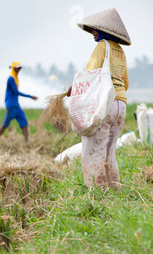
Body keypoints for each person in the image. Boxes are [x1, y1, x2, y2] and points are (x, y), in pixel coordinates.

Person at [67, 8, 130, 191]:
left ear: (104, 31)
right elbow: (125, 83)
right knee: (110, 152)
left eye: (95, 29)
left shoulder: (103, 46)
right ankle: (115, 190)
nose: (93, 33)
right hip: (121, 104)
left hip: (105, 105)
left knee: (94, 151)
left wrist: (74, 89)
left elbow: (90, 74)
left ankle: (98, 194)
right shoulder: (120, 52)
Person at [0, 62, 38, 145]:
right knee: (5, 124)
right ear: (13, 68)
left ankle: (26, 141)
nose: (19, 69)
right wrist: (30, 96)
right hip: (11, 106)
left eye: (19, 68)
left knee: (24, 122)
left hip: (16, 106)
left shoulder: (16, 77)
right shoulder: (11, 78)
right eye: (17, 68)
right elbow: (15, 92)